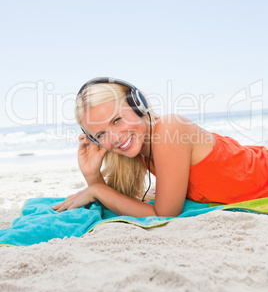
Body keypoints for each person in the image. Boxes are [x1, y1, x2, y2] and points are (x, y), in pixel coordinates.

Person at [52, 78, 268, 217]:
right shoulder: (139, 151)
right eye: (101, 134)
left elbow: (164, 214)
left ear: (139, 105)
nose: (115, 138)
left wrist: (97, 189)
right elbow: (120, 204)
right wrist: (92, 175)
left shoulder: (168, 130)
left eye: (117, 120)